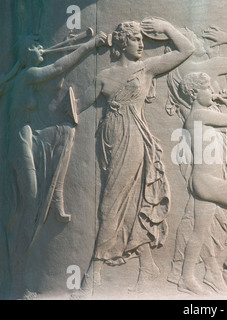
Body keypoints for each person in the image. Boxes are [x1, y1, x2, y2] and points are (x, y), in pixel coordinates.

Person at [79, 20, 195, 295]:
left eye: (142, 39)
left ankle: (94, 271)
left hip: (134, 137)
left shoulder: (146, 69)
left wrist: (166, 27)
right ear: (121, 43)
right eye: (134, 39)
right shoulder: (104, 76)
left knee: (111, 203)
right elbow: (72, 107)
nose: (141, 44)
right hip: (109, 140)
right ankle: (147, 266)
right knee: (130, 202)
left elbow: (187, 49)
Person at [0, 32, 108, 297]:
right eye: (34, 47)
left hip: (28, 136)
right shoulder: (27, 76)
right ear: (25, 56)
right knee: (32, 201)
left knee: (66, 131)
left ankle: (55, 196)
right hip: (19, 140)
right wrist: (90, 44)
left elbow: (56, 79)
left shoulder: (22, 76)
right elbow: (59, 67)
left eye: (41, 44)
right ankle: (19, 271)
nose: (40, 49)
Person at [165, 26, 227, 293]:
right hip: (207, 181)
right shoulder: (199, 115)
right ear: (196, 95)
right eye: (209, 88)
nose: (214, 90)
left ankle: (186, 278)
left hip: (203, 182)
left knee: (199, 232)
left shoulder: (199, 116)